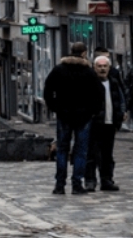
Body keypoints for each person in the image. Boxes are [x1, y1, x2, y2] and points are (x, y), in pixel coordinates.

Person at [43, 42, 103, 195]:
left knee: (62, 149)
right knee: (81, 151)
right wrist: (92, 111)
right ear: (84, 53)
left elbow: (48, 90)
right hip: (83, 117)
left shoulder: (59, 70)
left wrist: (55, 107)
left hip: (64, 115)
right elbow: (99, 94)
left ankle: (60, 185)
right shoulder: (88, 72)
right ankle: (77, 184)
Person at [84, 56, 128, 192]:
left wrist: (122, 113)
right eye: (99, 66)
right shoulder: (90, 82)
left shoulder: (113, 82)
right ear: (94, 67)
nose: (102, 69)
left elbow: (121, 99)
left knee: (107, 155)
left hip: (110, 123)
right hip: (94, 123)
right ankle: (90, 181)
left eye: (105, 66)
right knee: (91, 153)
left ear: (109, 68)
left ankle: (107, 180)